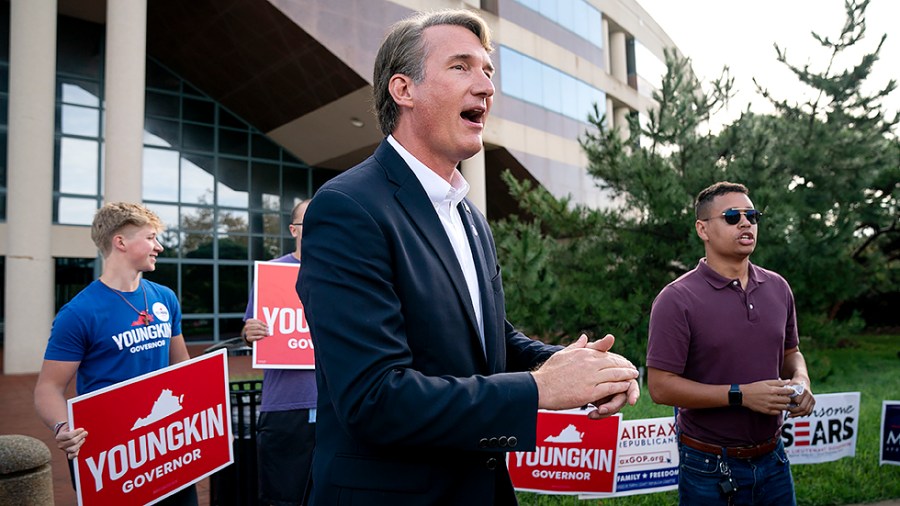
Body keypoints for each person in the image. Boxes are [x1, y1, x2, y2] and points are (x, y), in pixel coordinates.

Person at [296, 9, 640, 505]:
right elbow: (374, 399)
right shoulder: (347, 208)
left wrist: (571, 367)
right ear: (403, 89)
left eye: (488, 71)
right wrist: (538, 390)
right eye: (461, 67)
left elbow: (488, 337)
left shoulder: (468, 215)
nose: (486, 87)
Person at [646, 181, 816, 505]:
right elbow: (660, 387)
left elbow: (791, 353)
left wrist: (801, 380)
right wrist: (741, 395)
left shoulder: (778, 287)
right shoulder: (676, 299)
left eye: (751, 215)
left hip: (774, 459)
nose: (746, 222)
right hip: (710, 467)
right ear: (703, 229)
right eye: (731, 216)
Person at [34, 202, 197, 505]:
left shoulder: (165, 297)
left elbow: (181, 366)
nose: (158, 246)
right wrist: (63, 427)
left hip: (168, 443)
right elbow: (48, 388)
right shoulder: (79, 312)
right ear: (120, 242)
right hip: (112, 452)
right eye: (150, 238)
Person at [241, 199, 316, 505]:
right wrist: (250, 334)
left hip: (338, 405)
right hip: (286, 406)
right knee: (284, 495)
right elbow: (251, 331)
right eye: (307, 224)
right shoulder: (273, 273)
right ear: (293, 230)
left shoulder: (346, 274)